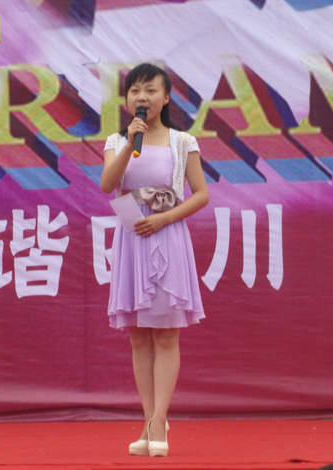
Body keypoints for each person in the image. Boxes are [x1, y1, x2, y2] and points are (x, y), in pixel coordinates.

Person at [100, 63, 209, 457]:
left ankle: (160, 420)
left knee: (165, 333)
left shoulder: (183, 142)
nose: (141, 97)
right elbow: (108, 185)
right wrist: (131, 141)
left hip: (167, 233)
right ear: (127, 98)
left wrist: (164, 218)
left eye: (150, 90)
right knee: (137, 335)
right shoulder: (118, 140)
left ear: (166, 97)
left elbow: (201, 194)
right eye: (135, 91)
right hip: (132, 237)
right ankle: (149, 421)